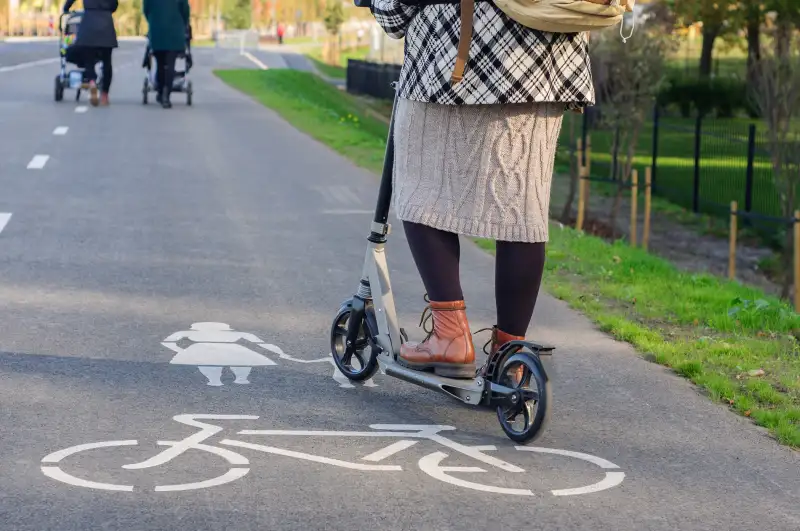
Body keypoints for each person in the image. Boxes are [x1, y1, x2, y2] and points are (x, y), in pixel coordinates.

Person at [370, 0, 594, 378]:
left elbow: (396, 13)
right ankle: (511, 356)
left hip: (454, 60)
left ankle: (450, 337)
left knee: (420, 190)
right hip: (549, 59)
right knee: (522, 211)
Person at [63, 0, 118, 107]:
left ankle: (92, 82)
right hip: (106, 25)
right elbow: (114, 5)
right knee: (107, 62)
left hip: (89, 24)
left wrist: (66, 8)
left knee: (89, 59)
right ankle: (104, 95)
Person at [143, 0, 190, 109]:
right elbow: (185, 11)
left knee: (160, 64)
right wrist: (183, 23)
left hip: (157, 32)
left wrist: (153, 20)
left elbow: (146, 10)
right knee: (170, 65)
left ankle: (160, 91)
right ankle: (166, 96)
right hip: (174, 32)